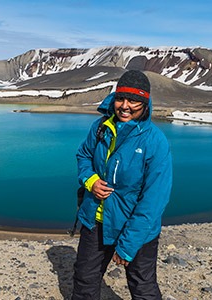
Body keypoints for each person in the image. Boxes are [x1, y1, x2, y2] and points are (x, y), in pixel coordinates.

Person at [72, 70, 172, 300]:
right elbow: (84, 155)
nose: (125, 106)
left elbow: (153, 201)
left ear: (145, 103)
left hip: (136, 228)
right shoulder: (101, 127)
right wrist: (91, 180)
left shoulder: (155, 142)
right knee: (85, 279)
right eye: (120, 98)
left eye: (134, 100)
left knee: (142, 285)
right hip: (96, 220)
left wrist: (127, 245)